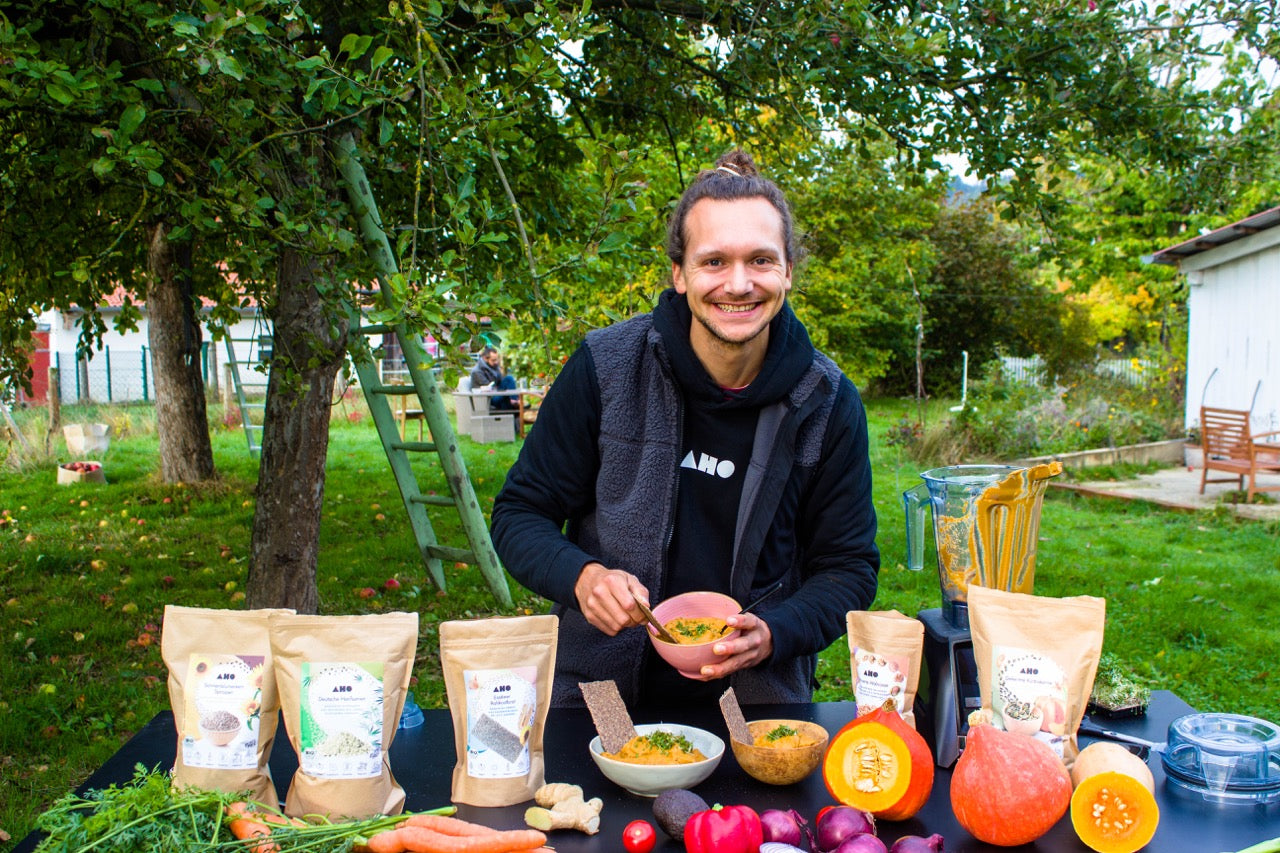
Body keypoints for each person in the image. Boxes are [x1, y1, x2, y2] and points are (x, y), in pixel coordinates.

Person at [490, 149, 879, 710]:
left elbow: (848, 568)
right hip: (599, 701)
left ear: (788, 270)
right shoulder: (608, 366)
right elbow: (520, 513)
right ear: (679, 273)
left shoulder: (826, 400)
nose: (739, 284)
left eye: (761, 261)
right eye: (714, 261)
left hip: (760, 711)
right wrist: (583, 577)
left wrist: (776, 631)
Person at [469, 345, 517, 411]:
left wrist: (499, 372)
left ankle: (515, 401)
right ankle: (515, 404)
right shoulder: (477, 371)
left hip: (495, 392)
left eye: (496, 359)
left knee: (509, 378)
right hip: (487, 398)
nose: (496, 362)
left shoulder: (493, 366)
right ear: (485, 358)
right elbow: (489, 387)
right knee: (505, 396)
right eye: (493, 360)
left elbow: (500, 381)